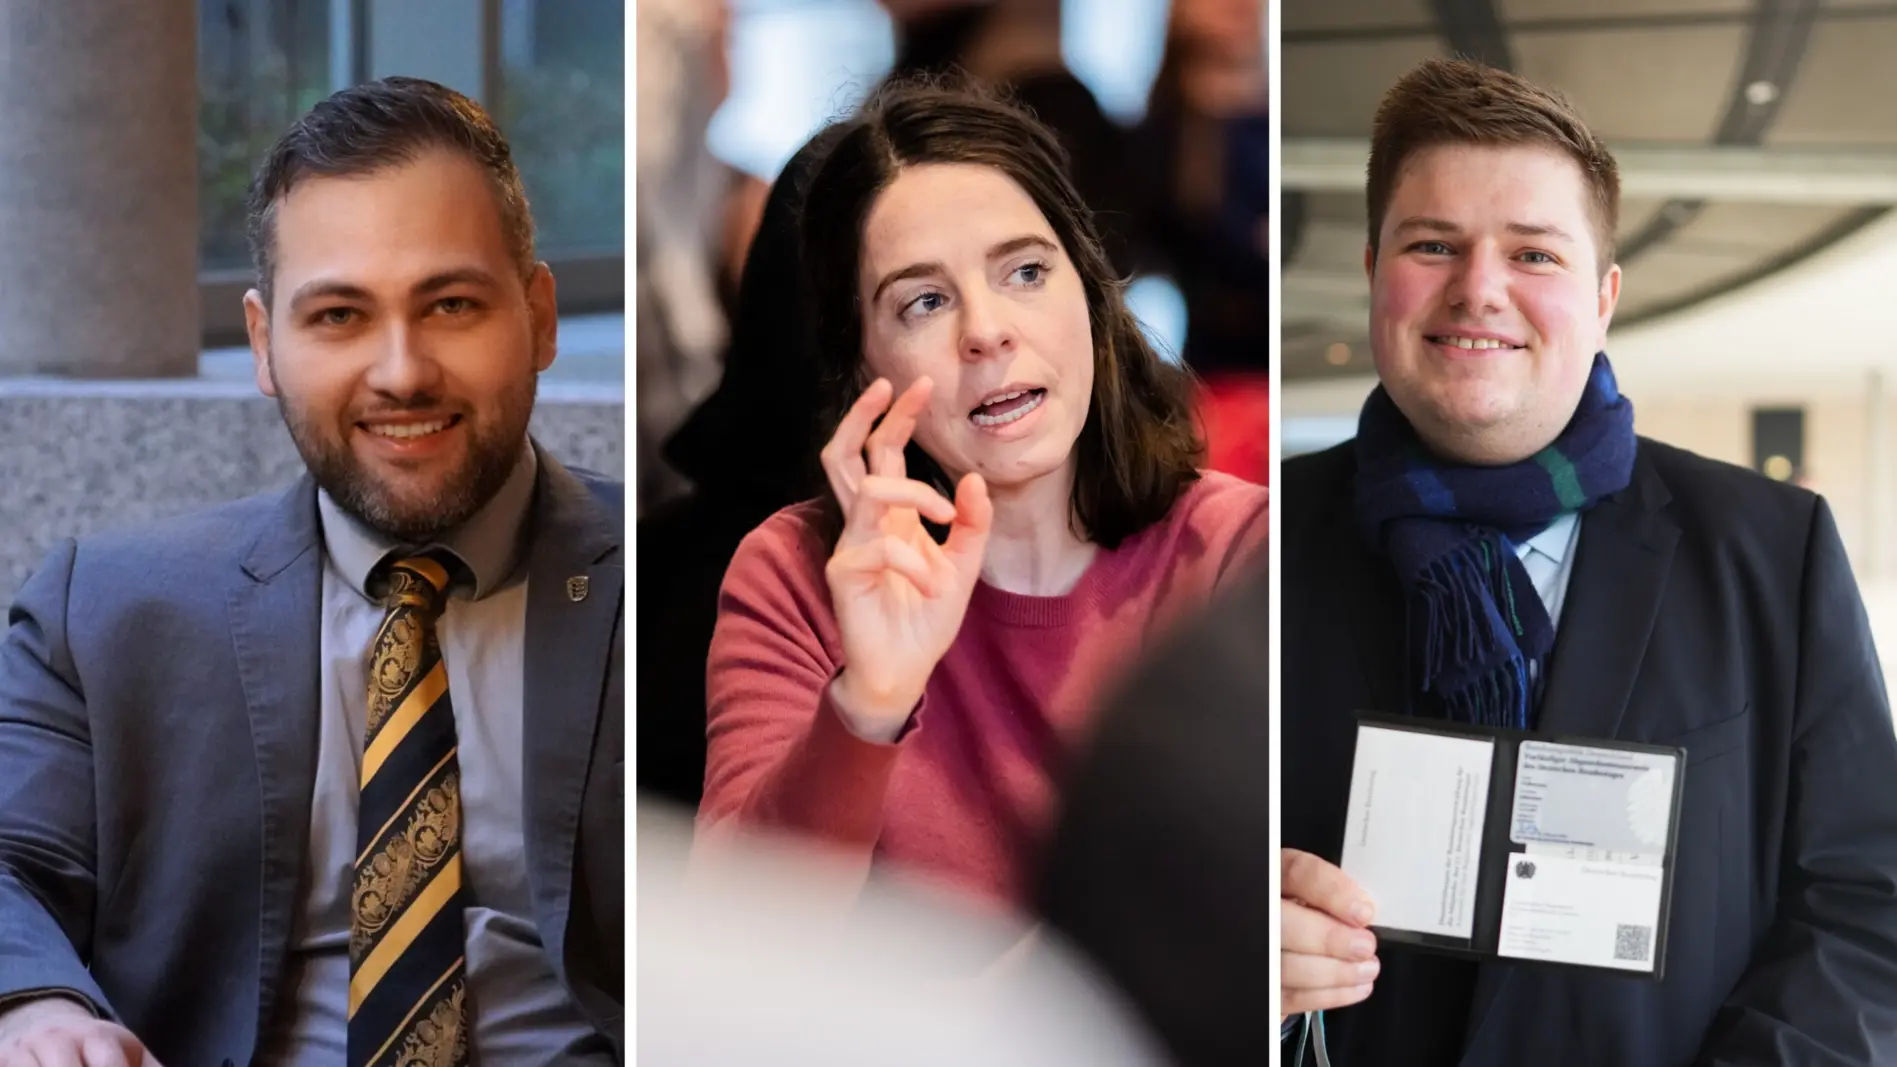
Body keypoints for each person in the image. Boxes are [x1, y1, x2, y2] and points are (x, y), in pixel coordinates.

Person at [1281, 59, 1897, 1064]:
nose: (1478, 288)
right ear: (1370, 270)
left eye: (1533, 253)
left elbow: (1868, 899)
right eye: (1433, 244)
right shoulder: (1262, 552)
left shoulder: (1771, 553)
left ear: (1603, 296)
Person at [0, 78, 623, 1067]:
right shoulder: (107, 611)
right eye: (337, 315)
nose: (401, 370)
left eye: (451, 303)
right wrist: (36, 1009)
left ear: (540, 316)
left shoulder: (664, 578)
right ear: (263, 343)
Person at [696, 81, 1268, 907]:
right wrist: (868, 704)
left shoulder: (1239, 554)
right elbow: (735, 941)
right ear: (862, 365)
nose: (986, 330)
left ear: (1093, 293)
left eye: (1026, 271)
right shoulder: (795, 571)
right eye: (924, 301)